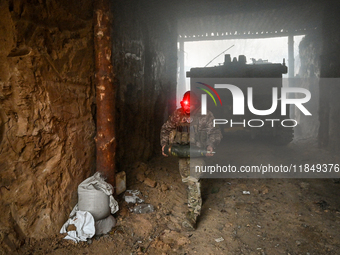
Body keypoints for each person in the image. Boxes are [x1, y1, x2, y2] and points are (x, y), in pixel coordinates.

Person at [160, 91, 222, 230]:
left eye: (190, 105)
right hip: (182, 152)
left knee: (193, 180)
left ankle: (192, 215)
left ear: (197, 104)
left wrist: (211, 145)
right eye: (184, 105)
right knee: (186, 179)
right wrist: (164, 144)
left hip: (198, 154)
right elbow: (166, 128)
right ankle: (195, 196)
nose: (186, 108)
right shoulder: (178, 114)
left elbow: (215, 133)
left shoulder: (206, 115)